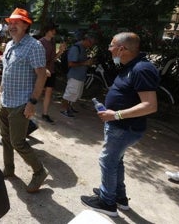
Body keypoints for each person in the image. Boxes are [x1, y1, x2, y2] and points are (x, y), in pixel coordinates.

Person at [81, 32, 159, 217]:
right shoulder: (130, 66)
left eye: (111, 45)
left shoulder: (141, 69)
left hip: (125, 128)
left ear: (122, 48)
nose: (109, 49)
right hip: (120, 126)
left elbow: (150, 105)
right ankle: (119, 197)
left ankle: (107, 202)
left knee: (107, 160)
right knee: (117, 161)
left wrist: (115, 114)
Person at [0, 8, 48, 193]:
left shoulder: (34, 46)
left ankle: (39, 171)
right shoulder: (9, 44)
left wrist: (32, 102)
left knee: (18, 142)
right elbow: (6, 71)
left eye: (16, 22)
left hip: (21, 103)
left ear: (26, 25)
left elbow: (41, 76)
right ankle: (9, 169)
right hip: (5, 101)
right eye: (10, 23)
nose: (12, 26)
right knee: (5, 138)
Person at [60, 34, 96, 117]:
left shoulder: (82, 48)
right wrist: (85, 63)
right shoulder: (76, 48)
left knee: (76, 94)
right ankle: (65, 110)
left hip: (80, 76)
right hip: (74, 76)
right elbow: (71, 64)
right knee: (69, 94)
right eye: (91, 43)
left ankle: (69, 107)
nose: (91, 46)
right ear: (86, 40)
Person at [39, 23, 66, 123]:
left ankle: (45, 114)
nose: (54, 32)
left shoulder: (53, 42)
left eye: (54, 30)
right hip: (41, 71)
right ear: (47, 31)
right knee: (37, 92)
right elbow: (37, 60)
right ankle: (28, 110)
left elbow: (53, 59)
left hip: (51, 71)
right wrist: (43, 69)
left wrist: (61, 51)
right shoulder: (40, 42)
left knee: (48, 93)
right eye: (53, 30)